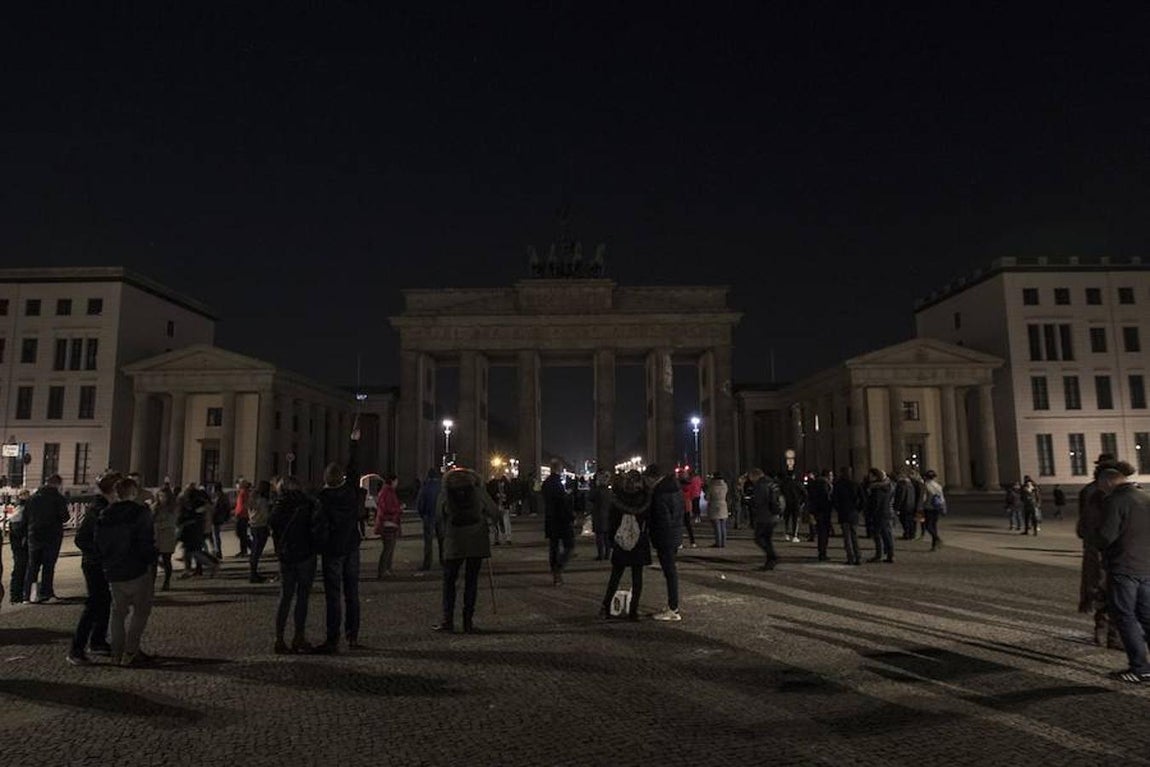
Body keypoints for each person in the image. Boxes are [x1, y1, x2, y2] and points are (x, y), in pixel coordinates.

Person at [1086, 460, 1150, 684]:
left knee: (1125, 617)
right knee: (1148, 617)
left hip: (1124, 567)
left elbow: (1106, 537)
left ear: (1107, 482)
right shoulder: (1145, 496)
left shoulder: (1115, 501)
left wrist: (1091, 537)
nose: (1101, 491)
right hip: (1146, 566)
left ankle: (1140, 668)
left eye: (1101, 487)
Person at [94, 477, 157, 667]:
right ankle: (131, 650)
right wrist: (150, 559)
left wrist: (107, 561)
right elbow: (147, 541)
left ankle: (116, 652)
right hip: (136, 568)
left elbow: (98, 542)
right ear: (133, 492)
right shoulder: (140, 513)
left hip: (113, 570)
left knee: (118, 613)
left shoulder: (105, 514)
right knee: (140, 612)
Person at [313, 422, 362, 653]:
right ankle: (353, 635)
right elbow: (355, 469)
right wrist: (354, 442)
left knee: (333, 596)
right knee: (352, 593)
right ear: (341, 477)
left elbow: (318, 525)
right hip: (351, 546)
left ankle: (333, 639)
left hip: (333, 550)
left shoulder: (322, 497)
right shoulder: (351, 491)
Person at [434, 467, 501, 633]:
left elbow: (438, 516)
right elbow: (494, 512)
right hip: (476, 542)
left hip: (453, 540)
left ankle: (447, 620)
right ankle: (467, 622)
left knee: (449, 582)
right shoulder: (478, 490)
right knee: (471, 582)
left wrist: (444, 534)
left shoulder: (446, 491)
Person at [67, 472, 120, 665]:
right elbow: (81, 539)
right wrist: (100, 554)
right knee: (93, 605)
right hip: (94, 564)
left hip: (101, 563)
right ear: (113, 490)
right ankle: (76, 649)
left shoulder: (107, 507)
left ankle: (97, 641)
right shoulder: (97, 509)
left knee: (104, 601)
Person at [268, 475, 321, 654]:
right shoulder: (307, 503)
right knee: (302, 598)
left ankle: (279, 638)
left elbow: (273, 527)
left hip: (286, 556)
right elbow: (316, 525)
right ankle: (299, 636)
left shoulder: (278, 505)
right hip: (306, 555)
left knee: (285, 597)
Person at [1078, 453, 1123, 649]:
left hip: (1092, 548)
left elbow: (1081, 526)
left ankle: (1100, 631)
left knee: (1098, 589)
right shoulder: (1115, 493)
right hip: (1111, 549)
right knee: (1115, 591)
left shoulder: (1086, 490)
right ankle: (1113, 635)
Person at [599, 470, 651, 620]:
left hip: (621, 540)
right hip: (639, 541)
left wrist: (611, 541)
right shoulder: (645, 499)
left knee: (615, 576)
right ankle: (633, 611)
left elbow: (612, 521)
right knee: (637, 578)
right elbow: (650, 520)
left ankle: (606, 606)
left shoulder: (617, 498)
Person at [646, 464, 684, 620]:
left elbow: (662, 519)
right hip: (675, 534)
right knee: (671, 572)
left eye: (647, 479)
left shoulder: (659, 493)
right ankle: (672, 606)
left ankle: (673, 609)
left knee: (670, 573)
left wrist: (654, 535)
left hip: (665, 537)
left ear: (652, 478)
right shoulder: (675, 489)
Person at [23, 474, 70, 603]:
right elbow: (65, 517)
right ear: (58, 484)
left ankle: (29, 595)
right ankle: (46, 593)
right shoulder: (58, 498)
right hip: (52, 535)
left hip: (34, 534)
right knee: (48, 566)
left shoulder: (32, 498)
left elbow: (25, 517)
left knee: (33, 566)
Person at [543, 460, 574, 586]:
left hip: (550, 519)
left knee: (553, 547)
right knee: (569, 545)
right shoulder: (557, 483)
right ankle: (558, 568)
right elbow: (561, 503)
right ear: (558, 469)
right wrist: (567, 496)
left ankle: (555, 573)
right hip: (561, 520)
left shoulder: (546, 483)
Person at [177, 483, 218, 578]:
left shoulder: (195, 506)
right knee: (189, 551)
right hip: (191, 531)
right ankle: (187, 570)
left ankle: (213, 564)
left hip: (193, 531)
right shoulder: (196, 505)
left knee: (195, 552)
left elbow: (193, 517)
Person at [747, 468, 783, 570]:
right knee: (767, 539)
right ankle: (770, 561)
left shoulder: (760, 486)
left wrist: (750, 502)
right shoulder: (771, 483)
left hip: (765, 516)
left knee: (759, 538)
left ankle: (772, 557)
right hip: (774, 515)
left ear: (755, 476)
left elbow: (758, 502)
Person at [833, 467, 863, 566]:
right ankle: (858, 557)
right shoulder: (856, 484)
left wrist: (839, 509)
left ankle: (850, 557)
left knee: (847, 537)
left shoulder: (838, 485)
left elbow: (835, 500)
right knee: (854, 535)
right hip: (853, 513)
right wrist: (858, 509)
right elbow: (863, 499)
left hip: (843, 513)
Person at [374, 474, 402, 578]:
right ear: (392, 481)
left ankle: (387, 570)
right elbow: (387, 508)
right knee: (387, 548)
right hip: (387, 523)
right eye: (396, 481)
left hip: (390, 523)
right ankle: (382, 571)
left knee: (390, 548)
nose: (397, 484)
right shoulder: (387, 492)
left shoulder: (388, 492)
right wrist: (399, 509)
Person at [865, 468, 895, 563]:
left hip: (879, 514)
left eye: (870, 475)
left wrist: (870, 514)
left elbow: (876, 503)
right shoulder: (887, 487)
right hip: (886, 513)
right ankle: (889, 554)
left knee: (878, 535)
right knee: (887, 534)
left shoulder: (876, 489)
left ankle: (879, 555)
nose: (869, 477)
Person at [415, 468, 443, 571]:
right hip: (440, 516)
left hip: (428, 516)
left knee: (428, 542)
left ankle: (427, 564)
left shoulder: (425, 487)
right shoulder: (441, 487)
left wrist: (422, 514)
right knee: (442, 540)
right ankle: (443, 561)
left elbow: (420, 502)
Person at [152, 486, 178, 591]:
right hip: (155, 537)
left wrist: (159, 524)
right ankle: (151, 583)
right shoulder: (155, 507)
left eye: (164, 496)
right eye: (160, 496)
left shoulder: (172, 508)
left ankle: (167, 581)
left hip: (167, 536)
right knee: (153, 562)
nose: (162, 498)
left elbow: (172, 522)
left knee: (167, 560)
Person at [7, 491, 29, 604]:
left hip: (17, 543)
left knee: (19, 567)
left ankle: (16, 595)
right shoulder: (24, 509)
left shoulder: (16, 508)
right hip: (22, 542)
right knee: (22, 568)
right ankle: (18, 595)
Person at [248, 480, 272, 582]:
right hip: (261, 526)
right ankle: (253, 574)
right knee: (257, 551)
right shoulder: (262, 501)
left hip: (254, 526)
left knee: (254, 551)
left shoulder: (253, 499)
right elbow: (265, 515)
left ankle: (253, 572)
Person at [809, 469, 835, 561]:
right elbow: (825, 498)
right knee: (823, 533)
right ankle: (822, 553)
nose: (832, 477)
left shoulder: (817, 483)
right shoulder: (823, 484)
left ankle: (822, 552)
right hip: (823, 512)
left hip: (818, 511)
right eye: (831, 475)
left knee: (822, 533)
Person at [589, 470, 614, 560]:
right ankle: (607, 554)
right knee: (606, 537)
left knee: (599, 537)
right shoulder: (609, 491)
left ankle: (601, 555)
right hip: (607, 515)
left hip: (598, 515)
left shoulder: (597, 491)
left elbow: (590, 498)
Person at [780, 470, 807, 543]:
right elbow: (804, 493)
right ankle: (795, 536)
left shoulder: (783, 484)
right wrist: (802, 502)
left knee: (786, 520)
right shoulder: (797, 483)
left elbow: (780, 493)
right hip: (796, 503)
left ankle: (786, 534)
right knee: (795, 520)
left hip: (787, 503)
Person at [923, 470, 946, 550]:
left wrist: (920, 506)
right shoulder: (938, 486)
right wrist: (943, 507)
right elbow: (942, 498)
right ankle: (934, 545)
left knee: (928, 526)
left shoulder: (926, 485)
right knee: (934, 525)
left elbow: (924, 498)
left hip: (928, 507)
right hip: (937, 507)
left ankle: (937, 538)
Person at [706, 472, 729, 548]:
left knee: (717, 526)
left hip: (714, 505)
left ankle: (718, 543)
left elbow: (707, 497)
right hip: (723, 505)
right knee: (723, 526)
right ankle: (724, 542)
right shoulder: (725, 485)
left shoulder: (712, 486)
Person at [210, 483, 230, 557]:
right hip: (220, 518)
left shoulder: (219, 497)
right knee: (216, 535)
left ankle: (218, 551)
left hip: (216, 518)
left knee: (216, 535)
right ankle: (217, 550)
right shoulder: (223, 496)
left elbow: (216, 509)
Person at [234, 479, 252, 558]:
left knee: (241, 534)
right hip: (241, 515)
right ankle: (245, 549)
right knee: (241, 534)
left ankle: (248, 548)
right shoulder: (242, 493)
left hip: (242, 516)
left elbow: (244, 505)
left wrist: (239, 513)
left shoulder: (244, 493)